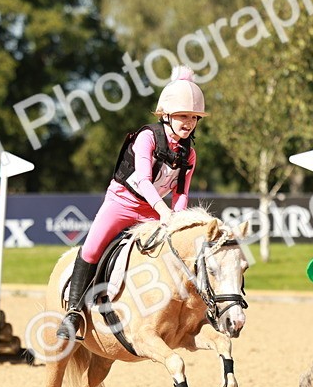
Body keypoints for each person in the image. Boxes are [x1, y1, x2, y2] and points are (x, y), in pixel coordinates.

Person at [57, 65, 207, 341]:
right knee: (91, 248)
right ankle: (74, 313)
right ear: (165, 115)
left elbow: (181, 193)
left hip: (152, 210)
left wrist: (178, 220)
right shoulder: (147, 137)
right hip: (122, 202)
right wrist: (163, 212)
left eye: (194, 117)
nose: (189, 122)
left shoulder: (190, 153)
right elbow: (141, 179)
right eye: (182, 116)